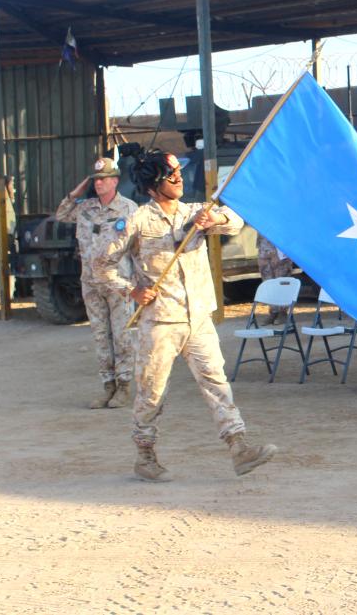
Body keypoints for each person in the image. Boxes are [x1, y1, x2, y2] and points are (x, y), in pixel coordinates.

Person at [95, 150, 276, 481]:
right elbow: (101, 265)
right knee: (151, 391)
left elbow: (235, 219)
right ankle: (145, 455)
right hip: (160, 321)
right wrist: (131, 291)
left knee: (216, 383)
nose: (179, 178)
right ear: (153, 184)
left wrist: (216, 220)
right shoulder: (136, 221)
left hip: (198, 318)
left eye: (179, 171)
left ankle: (240, 448)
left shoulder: (196, 212)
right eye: (170, 173)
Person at [55, 158, 139, 408]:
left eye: (104, 179)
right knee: (101, 336)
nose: (99, 183)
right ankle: (108, 386)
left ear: (115, 181)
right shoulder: (85, 208)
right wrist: (76, 192)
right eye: (95, 180)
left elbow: (138, 247)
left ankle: (124, 386)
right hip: (90, 282)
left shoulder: (129, 208)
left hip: (118, 282)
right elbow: (61, 215)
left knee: (122, 335)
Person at [256, 231, 293, 324]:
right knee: (268, 282)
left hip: (280, 249)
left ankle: (283, 313)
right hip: (264, 248)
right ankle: (273, 311)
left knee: (282, 282)